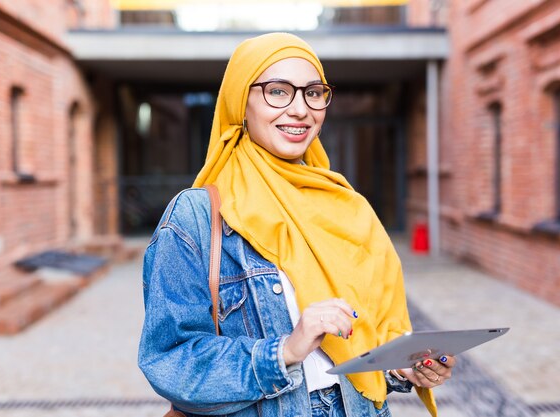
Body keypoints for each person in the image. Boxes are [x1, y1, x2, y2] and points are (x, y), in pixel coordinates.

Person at [138, 32, 455, 417]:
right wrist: (286, 350)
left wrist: (401, 366)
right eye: (277, 91)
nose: (301, 109)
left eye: (313, 92)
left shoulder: (349, 207)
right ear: (242, 102)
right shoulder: (197, 216)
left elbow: (366, 343)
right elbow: (170, 359)